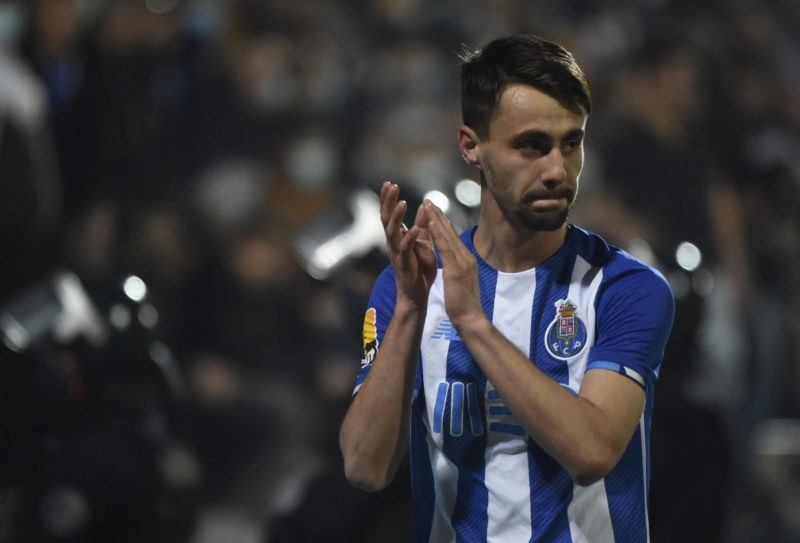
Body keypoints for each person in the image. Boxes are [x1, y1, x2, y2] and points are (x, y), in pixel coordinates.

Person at [339, 34, 675, 542]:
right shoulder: (409, 287)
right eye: (532, 146)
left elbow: (592, 452)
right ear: (471, 145)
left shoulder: (625, 288)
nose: (558, 171)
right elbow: (365, 465)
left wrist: (473, 322)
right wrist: (410, 307)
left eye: (572, 142)